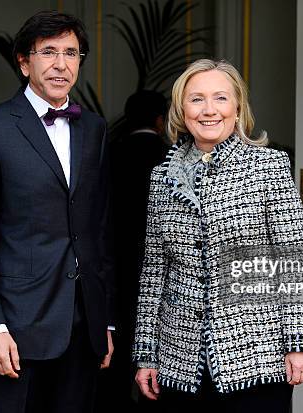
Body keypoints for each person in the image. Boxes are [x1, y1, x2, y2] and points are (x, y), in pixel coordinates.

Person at [132, 59, 303, 412]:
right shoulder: (161, 177)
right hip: (178, 358)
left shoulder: (269, 166)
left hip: (257, 355)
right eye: (196, 99)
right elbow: (154, 270)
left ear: (237, 107)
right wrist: (146, 353)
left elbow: (292, 262)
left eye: (220, 98)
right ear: (181, 109)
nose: (209, 110)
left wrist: (299, 342)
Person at [0, 11, 114, 413]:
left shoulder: (94, 130)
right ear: (24, 62)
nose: (62, 64)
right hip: (17, 330)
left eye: (72, 53)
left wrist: (105, 321)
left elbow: (97, 230)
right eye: (49, 52)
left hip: (83, 327)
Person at [100, 90, 170, 411]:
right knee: (157, 370)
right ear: (161, 120)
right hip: (163, 273)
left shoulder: (108, 154)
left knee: (112, 363)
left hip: (115, 267)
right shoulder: (172, 157)